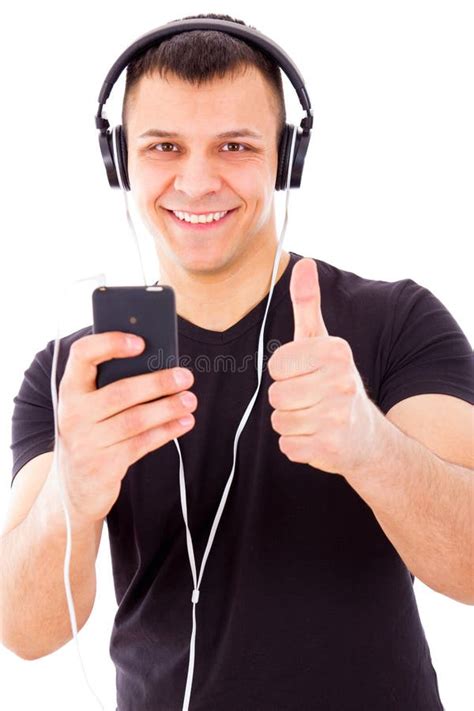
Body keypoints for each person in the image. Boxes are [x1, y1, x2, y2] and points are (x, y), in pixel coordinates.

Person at [1, 12, 473, 711]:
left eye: (234, 145)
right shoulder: (75, 372)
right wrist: (73, 490)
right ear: (119, 159)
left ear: (287, 158)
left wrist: (370, 445)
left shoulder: (399, 321)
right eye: (163, 145)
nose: (197, 182)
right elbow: (25, 632)